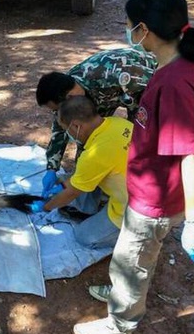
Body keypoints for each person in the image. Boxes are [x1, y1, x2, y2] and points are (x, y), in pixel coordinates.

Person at [73, 0, 194, 334]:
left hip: (155, 200)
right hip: (149, 190)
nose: (128, 31)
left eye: (130, 25)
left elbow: (191, 152)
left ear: (145, 30)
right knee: (133, 256)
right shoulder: (184, 62)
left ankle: (120, 325)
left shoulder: (174, 81)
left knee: (132, 256)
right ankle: (124, 292)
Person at [36, 48, 156, 197]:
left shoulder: (113, 75)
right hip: (116, 95)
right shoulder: (66, 90)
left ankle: (139, 190)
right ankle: (91, 192)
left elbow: (154, 93)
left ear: (69, 98)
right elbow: (62, 129)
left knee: (137, 142)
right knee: (89, 147)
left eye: (57, 109)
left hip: (144, 86)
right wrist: (52, 168)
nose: (57, 113)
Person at [29, 96, 133, 250]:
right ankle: (96, 206)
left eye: (66, 130)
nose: (68, 135)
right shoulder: (119, 122)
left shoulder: (95, 155)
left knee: (84, 237)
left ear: (76, 126)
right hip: (141, 185)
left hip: (138, 208)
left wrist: (46, 206)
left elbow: (71, 192)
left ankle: (138, 234)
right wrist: (60, 186)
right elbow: (80, 179)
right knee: (74, 179)